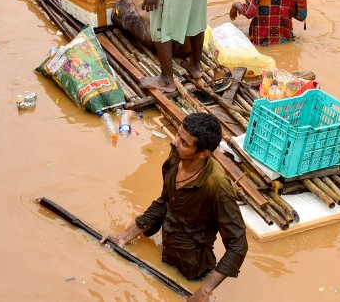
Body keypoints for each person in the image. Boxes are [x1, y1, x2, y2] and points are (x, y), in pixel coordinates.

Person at [102, 112, 247, 302]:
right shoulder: (176, 157)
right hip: (166, 250)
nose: (175, 142)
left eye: (184, 142)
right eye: (178, 134)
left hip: (192, 271)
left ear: (203, 153)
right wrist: (124, 236)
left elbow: (238, 244)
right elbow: (164, 202)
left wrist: (204, 292)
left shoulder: (217, 187)